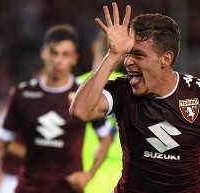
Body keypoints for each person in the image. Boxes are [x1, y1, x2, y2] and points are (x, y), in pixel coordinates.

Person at [70, 2, 200, 193]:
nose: (129, 62)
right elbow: (80, 111)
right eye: (127, 54)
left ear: (165, 59)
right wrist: (113, 55)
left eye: (139, 55)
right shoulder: (123, 90)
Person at [0, 24, 113, 193]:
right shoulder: (21, 94)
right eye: (54, 53)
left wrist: (89, 175)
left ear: (74, 58)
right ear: (43, 53)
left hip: (65, 188)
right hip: (28, 187)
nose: (58, 60)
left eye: (65, 54)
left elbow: (105, 140)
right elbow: (1, 144)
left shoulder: (83, 96)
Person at [78, 31, 123, 193]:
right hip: (122, 177)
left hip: (85, 174)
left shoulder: (77, 86)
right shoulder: (131, 88)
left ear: (94, 48)